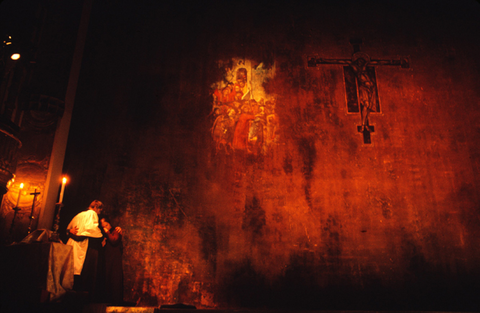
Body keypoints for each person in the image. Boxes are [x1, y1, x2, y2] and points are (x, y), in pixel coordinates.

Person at [66, 200, 104, 300]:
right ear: (96, 207)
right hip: (81, 243)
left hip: (72, 242)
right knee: (80, 268)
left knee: (72, 267)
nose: (100, 212)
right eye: (100, 209)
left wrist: (70, 233)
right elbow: (91, 229)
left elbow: (68, 229)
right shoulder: (92, 213)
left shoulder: (79, 214)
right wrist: (101, 236)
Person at [100, 216, 124, 304]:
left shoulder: (115, 231)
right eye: (103, 227)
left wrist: (107, 234)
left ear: (109, 224)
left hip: (115, 260)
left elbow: (114, 241)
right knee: (107, 279)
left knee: (115, 279)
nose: (105, 228)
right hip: (107, 259)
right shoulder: (103, 234)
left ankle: (115, 301)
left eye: (106, 225)